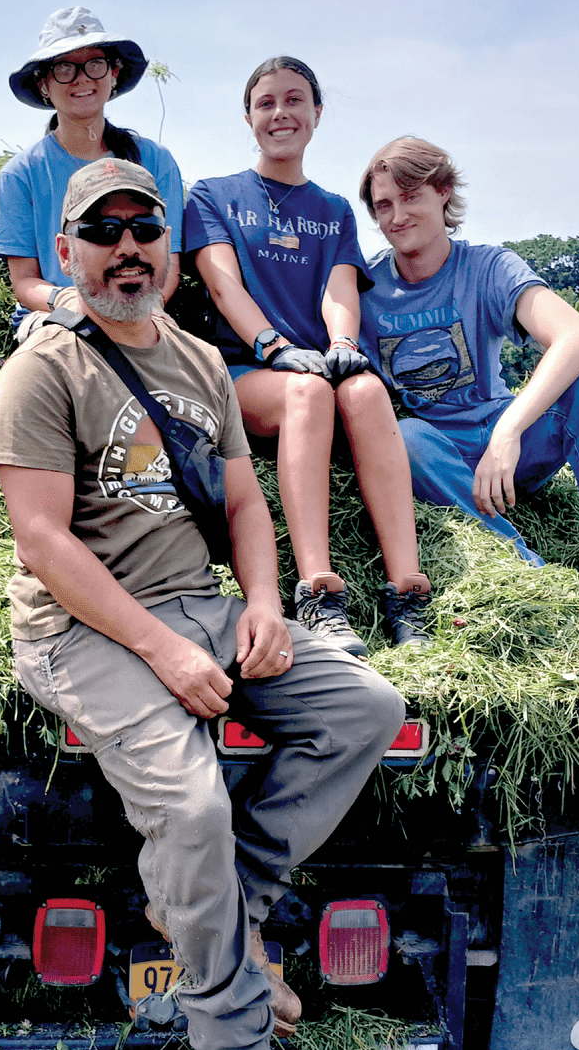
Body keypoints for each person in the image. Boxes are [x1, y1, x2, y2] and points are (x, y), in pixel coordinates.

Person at [0, 156, 405, 1050]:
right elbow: (41, 540)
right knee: (186, 799)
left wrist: (260, 606)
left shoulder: (197, 362)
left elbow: (244, 506)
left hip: (201, 607)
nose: (126, 249)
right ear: (68, 253)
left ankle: (229, 907)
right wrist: (165, 651)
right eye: (103, 232)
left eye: (144, 230)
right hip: (80, 627)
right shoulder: (43, 368)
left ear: (165, 248)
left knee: (363, 707)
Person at [356, 137, 579, 605]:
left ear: (443, 190)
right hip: (438, 459)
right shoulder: (364, 285)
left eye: (410, 196)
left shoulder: (488, 266)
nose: (397, 216)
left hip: (509, 447)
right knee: (406, 438)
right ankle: (535, 576)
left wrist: (507, 432)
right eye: (384, 205)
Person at [183, 57, 432, 653]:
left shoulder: (334, 210)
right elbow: (223, 286)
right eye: (266, 103)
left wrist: (342, 342)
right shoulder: (213, 195)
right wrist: (275, 346)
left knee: (368, 390)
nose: (281, 113)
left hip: (318, 369)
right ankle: (319, 591)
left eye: (295, 100)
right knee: (308, 389)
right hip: (246, 374)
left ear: (317, 113)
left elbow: (338, 290)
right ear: (248, 117)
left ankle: (406, 592)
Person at [0, 6, 184, 334]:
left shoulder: (156, 161)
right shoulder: (20, 175)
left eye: (95, 64)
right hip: (53, 314)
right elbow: (24, 282)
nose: (81, 78)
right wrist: (74, 304)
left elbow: (169, 268)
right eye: (64, 68)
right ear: (43, 84)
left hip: (138, 304)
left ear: (114, 73)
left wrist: (137, 312)